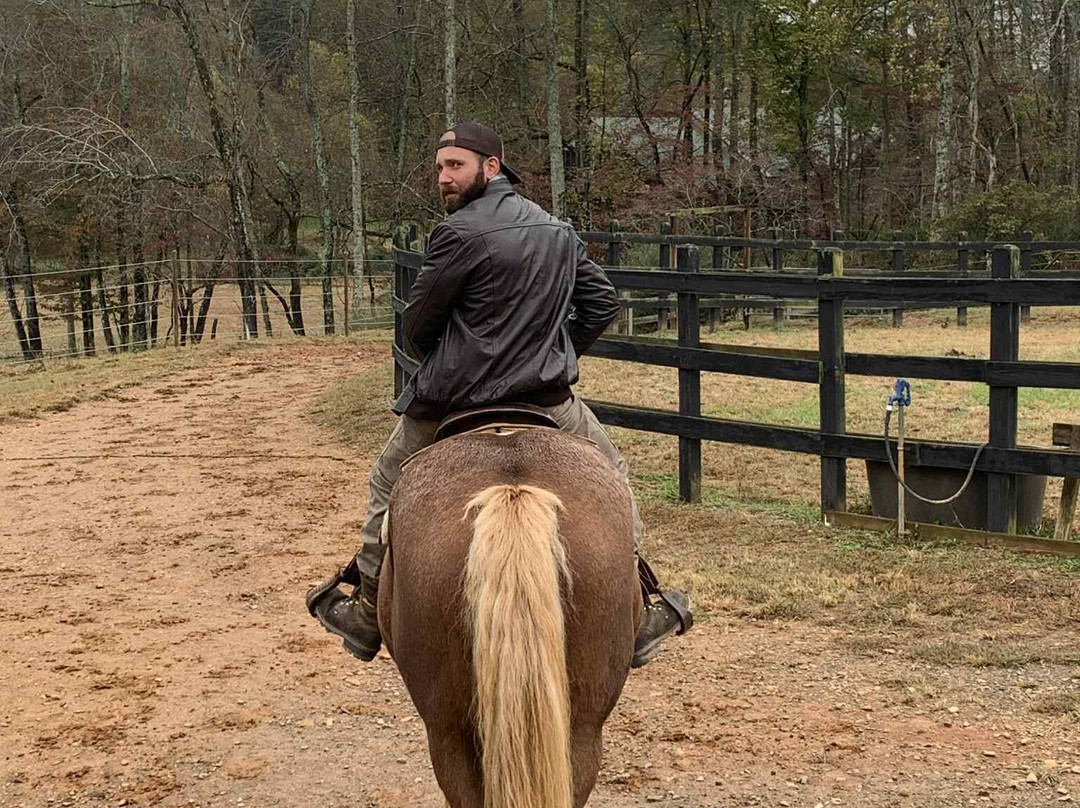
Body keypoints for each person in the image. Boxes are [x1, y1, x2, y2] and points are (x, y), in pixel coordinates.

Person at [307, 122, 692, 668]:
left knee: (386, 479)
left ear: (492, 166)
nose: (443, 177)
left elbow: (416, 327)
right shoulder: (557, 230)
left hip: (453, 401)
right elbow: (602, 303)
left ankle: (368, 612)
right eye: (440, 167)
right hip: (548, 399)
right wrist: (552, 352)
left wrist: (462, 358)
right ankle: (640, 605)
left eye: (455, 165)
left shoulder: (459, 233)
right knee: (613, 475)